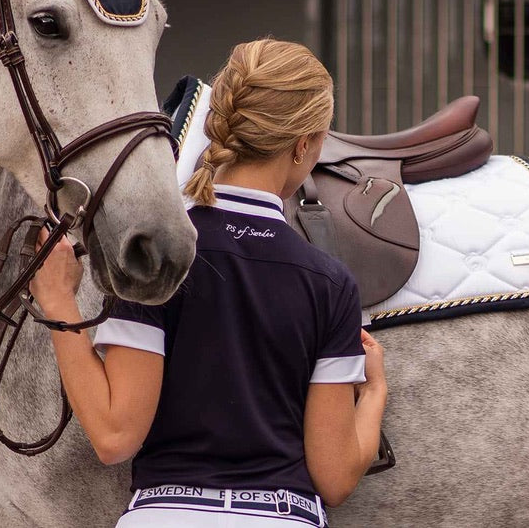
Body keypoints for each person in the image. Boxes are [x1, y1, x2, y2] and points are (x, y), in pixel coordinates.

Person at [30, 38, 388, 527]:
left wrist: (58, 302)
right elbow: (335, 477)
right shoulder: (330, 283)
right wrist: (373, 394)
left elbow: (114, 435)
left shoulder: (160, 260)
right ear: (303, 145)